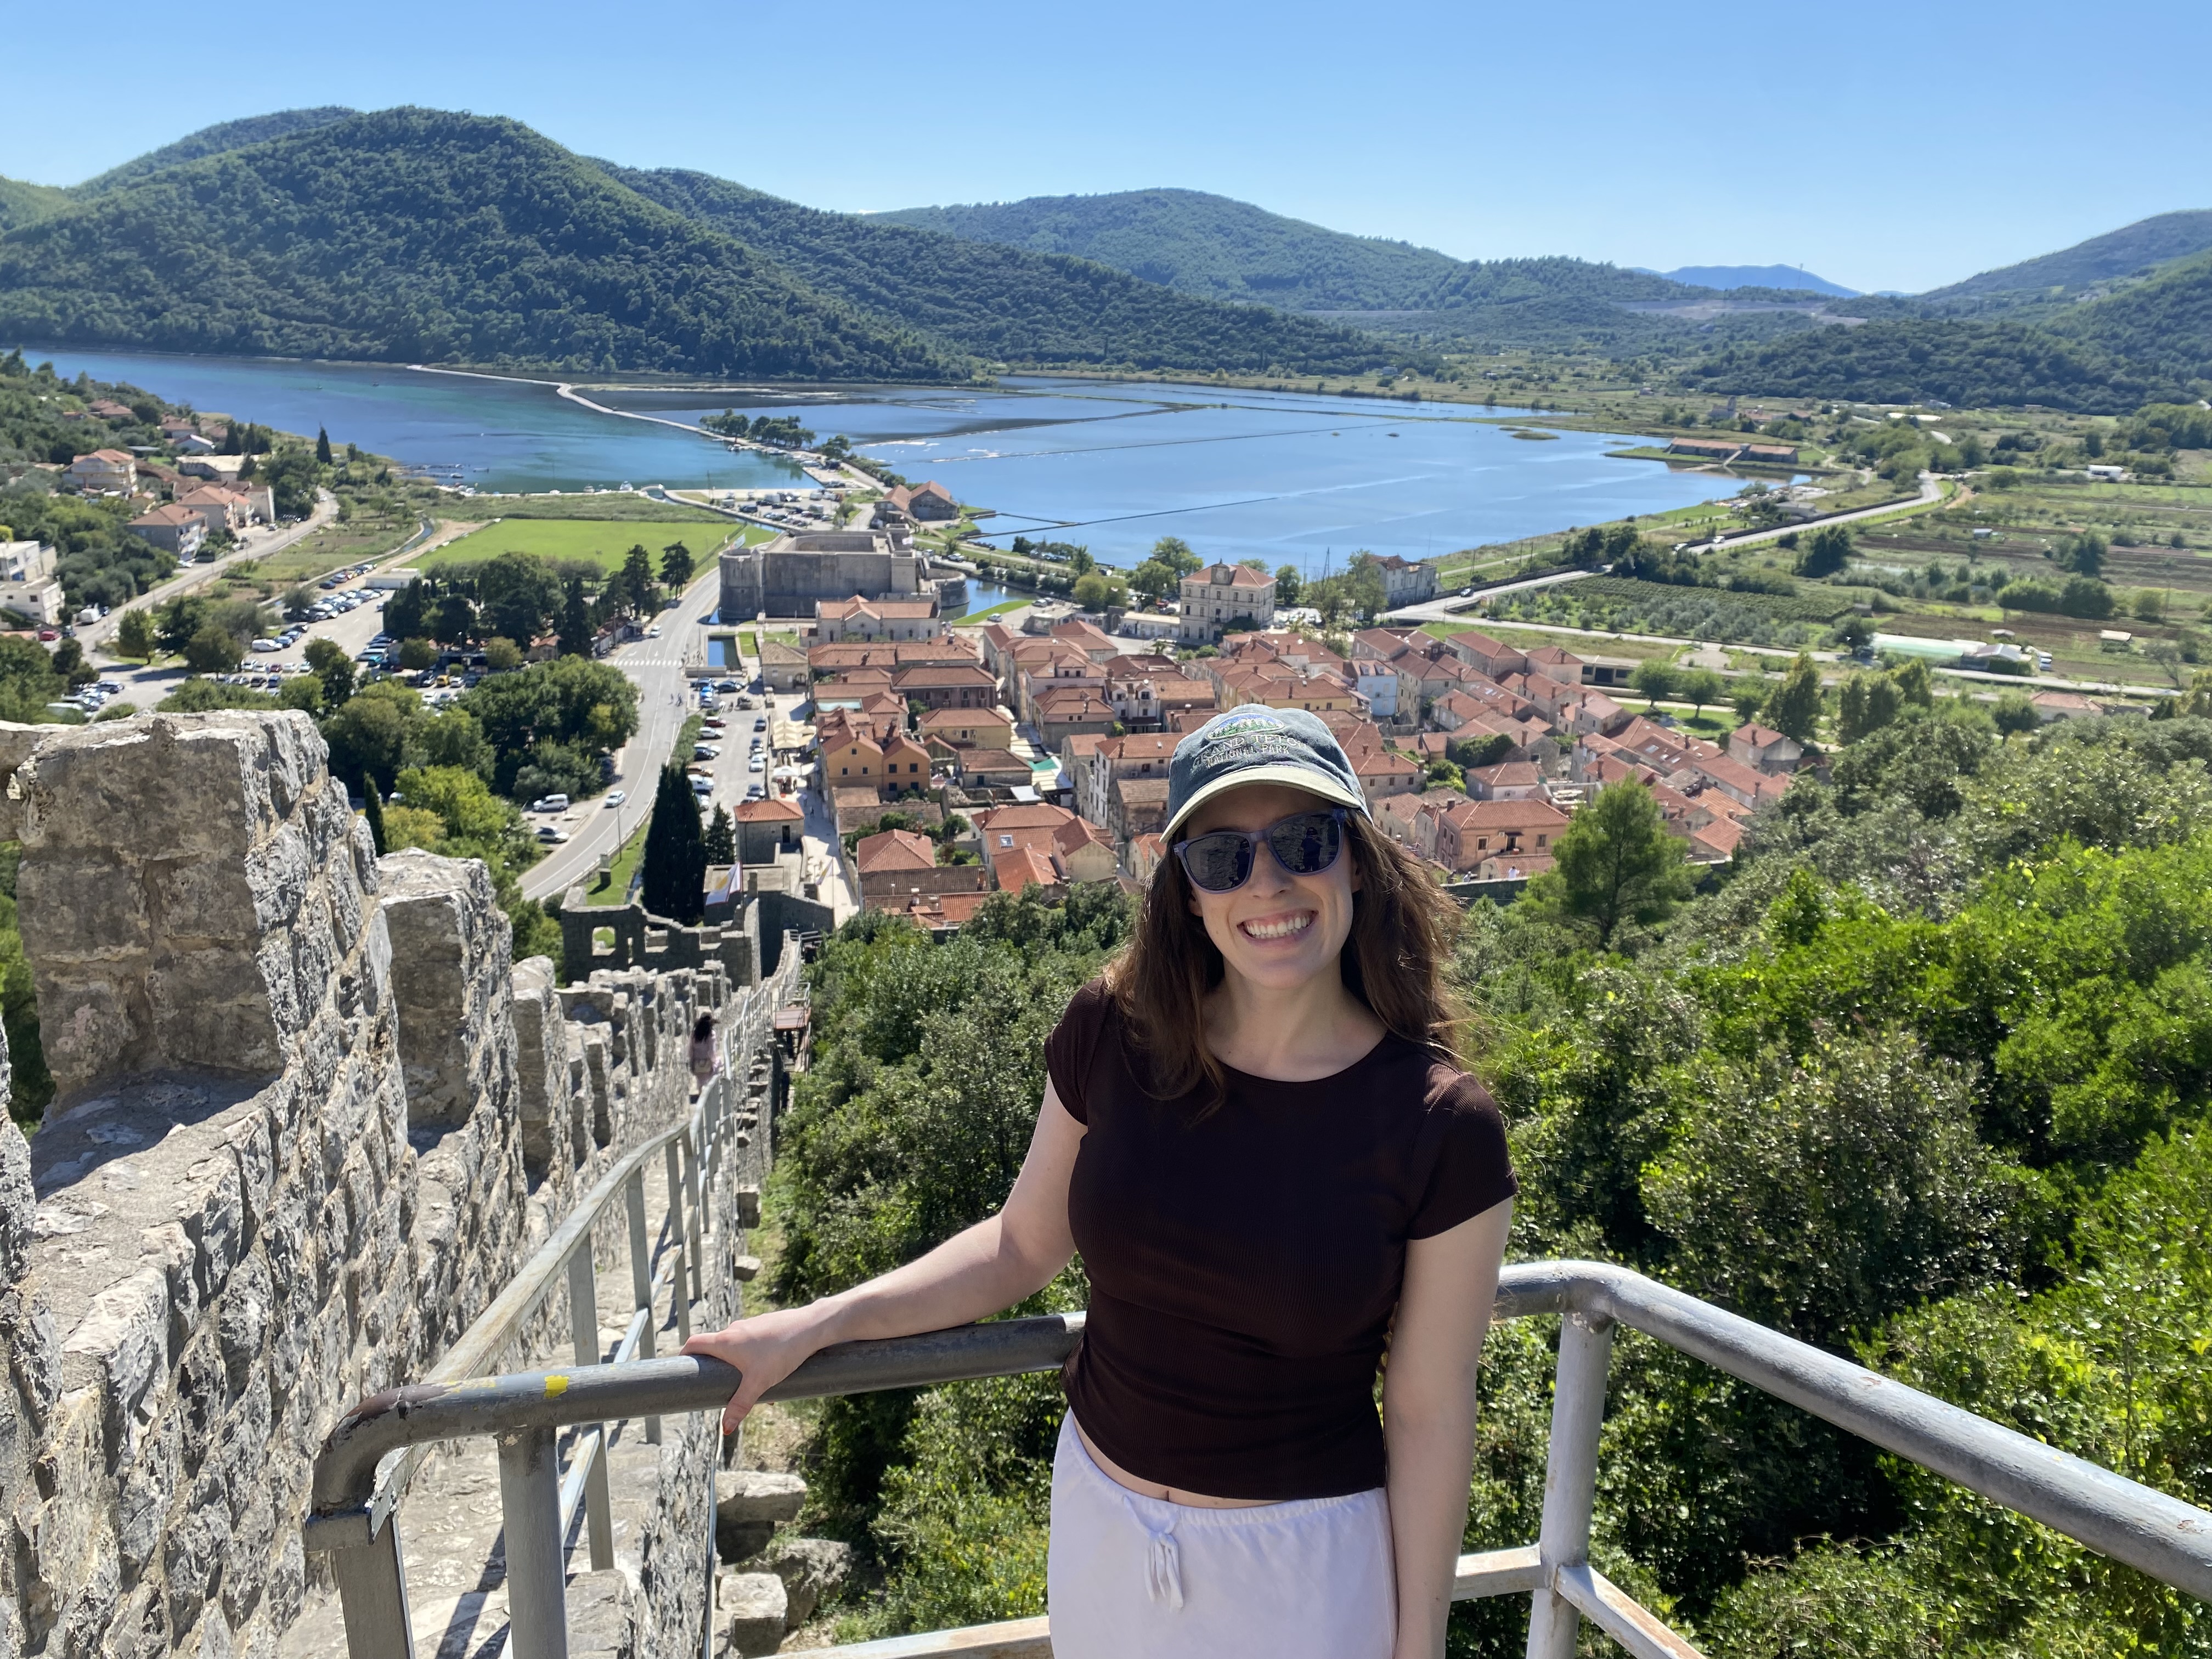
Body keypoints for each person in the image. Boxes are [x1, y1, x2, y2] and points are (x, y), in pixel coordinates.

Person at [686, 706, 1514, 1659]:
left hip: (1305, 1569)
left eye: (1302, 841)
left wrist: (1419, 1647)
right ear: (1187, 891)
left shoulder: (1440, 1125)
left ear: (1357, 860)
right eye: (1221, 858)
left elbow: (1427, 1405)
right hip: (1101, 1525)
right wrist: (814, 1322)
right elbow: (1018, 1246)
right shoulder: (1115, 1030)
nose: (1268, 883)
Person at [687, 1012, 719, 1091]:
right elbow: (712, 1052)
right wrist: (713, 1062)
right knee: (719, 1063)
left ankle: (700, 1091)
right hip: (707, 1065)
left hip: (697, 1065)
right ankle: (713, 1089)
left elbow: (690, 1050)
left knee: (700, 1079)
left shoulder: (694, 1035)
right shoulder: (711, 1035)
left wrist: (692, 1062)